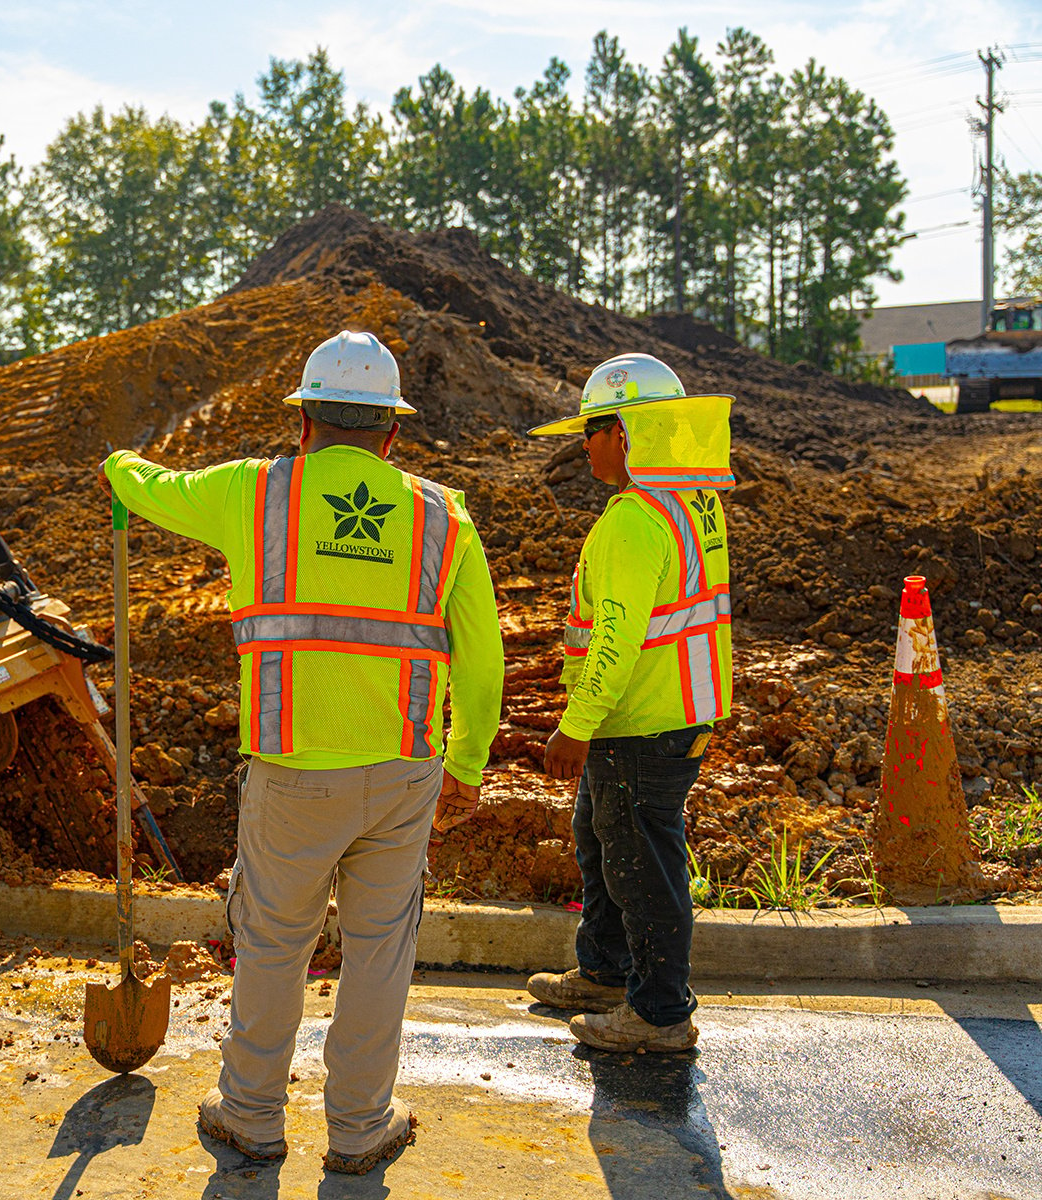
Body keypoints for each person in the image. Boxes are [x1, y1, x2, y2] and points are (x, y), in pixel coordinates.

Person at [99, 330, 504, 1174]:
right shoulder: (444, 516)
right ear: (392, 433)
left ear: (304, 424)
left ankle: (250, 1116)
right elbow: (483, 655)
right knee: (380, 951)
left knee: (274, 944)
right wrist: (465, 761)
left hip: (290, 774)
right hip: (401, 772)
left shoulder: (256, 495)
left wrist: (119, 467)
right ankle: (359, 1129)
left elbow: (150, 490)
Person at [525, 352, 735, 1053]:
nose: (583, 443)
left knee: (642, 866)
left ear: (628, 433)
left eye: (593, 428)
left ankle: (659, 1015)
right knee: (602, 841)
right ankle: (607, 973)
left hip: (641, 722)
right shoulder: (690, 502)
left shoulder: (633, 521)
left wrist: (574, 726)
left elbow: (616, 638)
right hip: (670, 711)